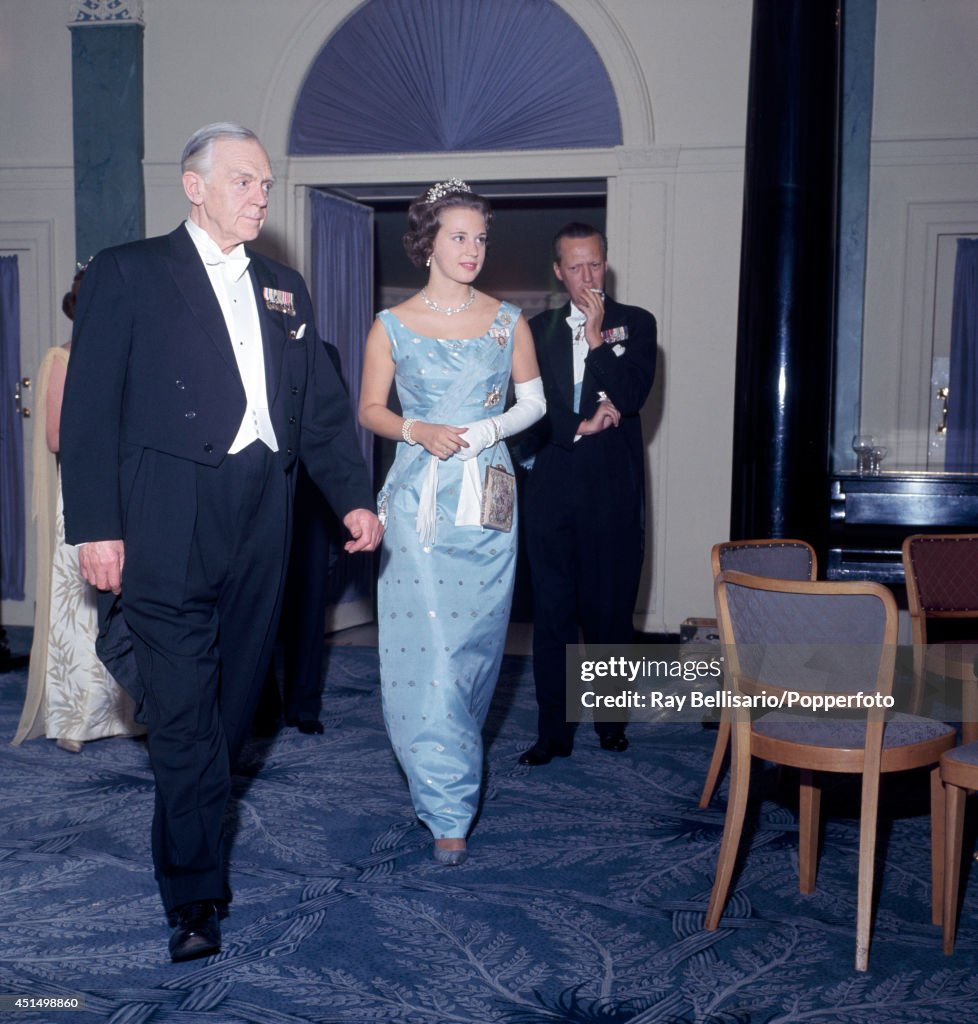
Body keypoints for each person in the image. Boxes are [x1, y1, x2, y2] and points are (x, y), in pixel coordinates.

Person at [59, 123, 383, 962]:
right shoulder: (127, 273)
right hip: (164, 516)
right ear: (193, 186)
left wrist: (352, 498)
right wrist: (96, 527)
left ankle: (198, 813)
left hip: (260, 520)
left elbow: (316, 412)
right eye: (244, 181)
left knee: (233, 709)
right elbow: (90, 414)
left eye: (266, 184)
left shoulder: (287, 289)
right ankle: (193, 895)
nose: (260, 196)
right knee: (183, 719)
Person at [359, 180, 545, 865]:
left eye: (480, 238)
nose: (472, 249)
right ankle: (447, 808)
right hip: (416, 504)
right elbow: (370, 410)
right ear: (427, 243)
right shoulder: (392, 324)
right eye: (459, 236)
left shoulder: (507, 321)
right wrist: (416, 427)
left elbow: (534, 404)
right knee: (426, 655)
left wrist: (480, 430)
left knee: (471, 652)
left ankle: (451, 777)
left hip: (488, 503)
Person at [519, 222, 657, 766]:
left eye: (594, 265)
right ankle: (553, 732)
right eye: (574, 267)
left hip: (612, 491)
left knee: (609, 614)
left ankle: (609, 723)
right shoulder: (537, 329)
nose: (586, 277)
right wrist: (579, 425)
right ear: (557, 271)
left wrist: (598, 339)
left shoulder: (636, 324)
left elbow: (630, 394)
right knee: (552, 614)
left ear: (607, 264)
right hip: (552, 485)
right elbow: (528, 408)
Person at [13, 268, 144, 752]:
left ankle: (129, 712)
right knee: (84, 600)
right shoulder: (62, 357)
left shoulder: (132, 355)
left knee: (127, 598)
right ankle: (78, 716)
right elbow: (53, 436)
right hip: (87, 489)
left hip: (129, 489)